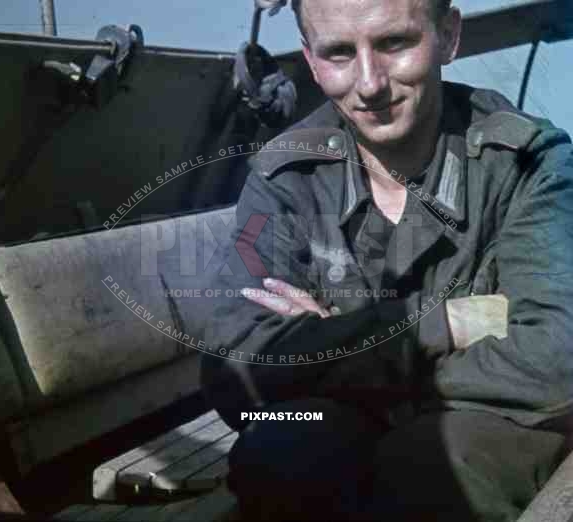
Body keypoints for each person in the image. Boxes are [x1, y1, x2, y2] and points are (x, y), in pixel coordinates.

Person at [199, 0, 573, 519]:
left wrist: (336, 346)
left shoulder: (528, 164)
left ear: (447, 35)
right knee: (279, 453)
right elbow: (233, 365)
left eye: (395, 43)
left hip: (482, 414)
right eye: (338, 53)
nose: (370, 83)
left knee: (434, 470)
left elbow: (559, 355)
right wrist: (452, 324)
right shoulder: (286, 177)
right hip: (348, 412)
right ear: (311, 61)